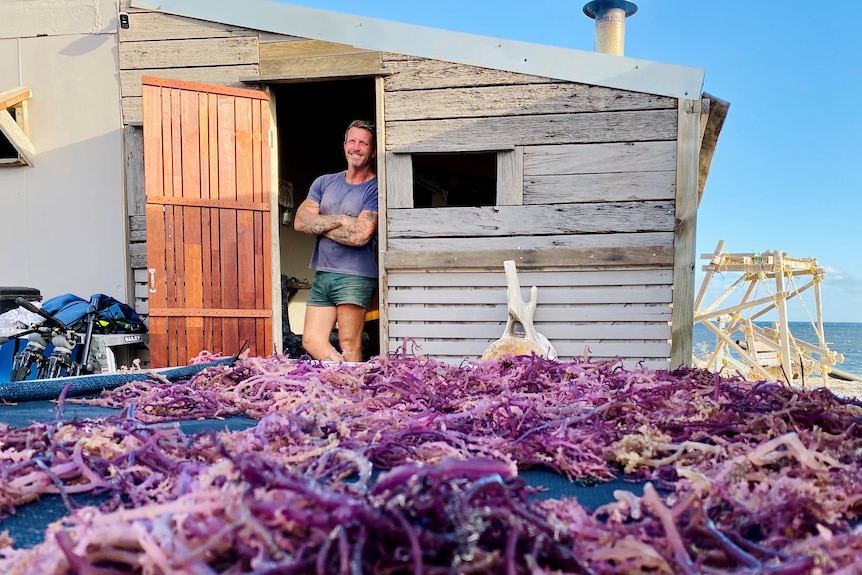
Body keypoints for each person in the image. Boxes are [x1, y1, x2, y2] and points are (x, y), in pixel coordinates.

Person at [294, 120, 379, 362]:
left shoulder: (374, 188)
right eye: (352, 141)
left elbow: (360, 235)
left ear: (372, 151)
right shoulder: (324, 182)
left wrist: (319, 224)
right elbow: (300, 222)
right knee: (311, 340)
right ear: (344, 146)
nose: (356, 147)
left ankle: (356, 394)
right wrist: (342, 219)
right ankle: (345, 380)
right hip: (324, 273)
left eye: (363, 143)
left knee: (349, 344)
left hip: (355, 276)